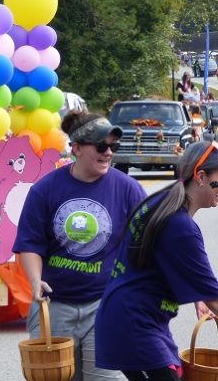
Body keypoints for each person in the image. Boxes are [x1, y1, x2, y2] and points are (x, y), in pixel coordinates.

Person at [12, 111, 147, 381]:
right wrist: (35, 280)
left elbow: (152, 243)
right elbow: (30, 243)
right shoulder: (45, 189)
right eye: (100, 146)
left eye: (113, 146)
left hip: (104, 306)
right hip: (53, 307)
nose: (108, 153)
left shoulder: (129, 189)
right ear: (76, 148)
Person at [95, 141, 218, 380]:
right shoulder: (180, 225)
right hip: (134, 326)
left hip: (134, 320)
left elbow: (166, 262)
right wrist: (204, 293)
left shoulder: (160, 203)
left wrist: (197, 293)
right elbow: (213, 296)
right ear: (201, 176)